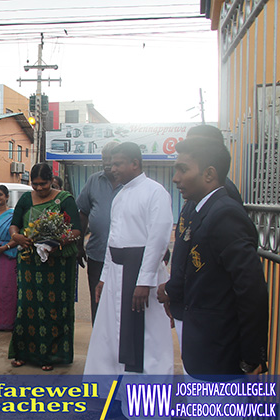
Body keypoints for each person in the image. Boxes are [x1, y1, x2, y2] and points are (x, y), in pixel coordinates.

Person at [162, 136, 268, 375]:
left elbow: (251, 290)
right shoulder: (201, 209)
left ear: (209, 174)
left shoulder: (225, 215)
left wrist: (252, 356)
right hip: (202, 348)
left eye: (183, 169)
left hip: (219, 356)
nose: (176, 178)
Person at [84, 142, 174, 375]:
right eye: (111, 163)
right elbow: (111, 241)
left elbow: (158, 240)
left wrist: (144, 281)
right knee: (111, 335)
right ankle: (116, 390)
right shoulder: (120, 195)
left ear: (135, 163)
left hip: (142, 274)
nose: (112, 168)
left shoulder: (155, 192)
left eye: (118, 163)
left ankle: (147, 400)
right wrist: (103, 277)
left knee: (146, 337)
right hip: (116, 274)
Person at [8, 163, 82, 371]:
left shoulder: (64, 200)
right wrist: (16, 236)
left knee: (53, 308)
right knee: (26, 307)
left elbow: (76, 230)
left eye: (44, 184)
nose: (39, 188)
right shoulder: (25, 199)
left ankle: (51, 355)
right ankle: (23, 352)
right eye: (35, 184)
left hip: (57, 264)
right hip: (29, 262)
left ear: (52, 180)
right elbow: (15, 223)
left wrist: (56, 242)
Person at [76, 141, 122, 324]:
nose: (107, 164)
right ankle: (99, 342)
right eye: (104, 159)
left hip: (123, 257)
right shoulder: (94, 180)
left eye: (111, 160)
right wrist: (79, 246)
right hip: (97, 255)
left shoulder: (130, 183)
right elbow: (83, 213)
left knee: (120, 303)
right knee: (98, 301)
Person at [0, 185, 18, 331]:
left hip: (7, 257)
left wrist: (4, 248)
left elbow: (19, 237)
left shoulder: (13, 216)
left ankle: (7, 323)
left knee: (6, 291)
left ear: (7, 197)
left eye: (0, 194)